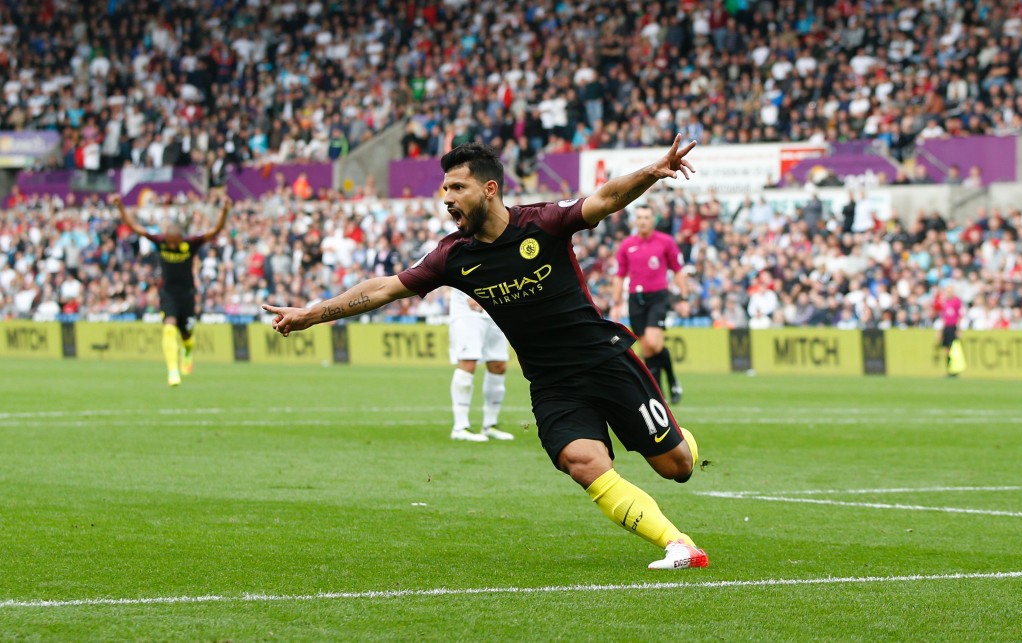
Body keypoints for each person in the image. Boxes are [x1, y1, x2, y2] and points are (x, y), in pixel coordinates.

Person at [264, 138, 706, 571]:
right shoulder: (453, 256)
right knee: (581, 461)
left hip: (604, 360)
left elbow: (606, 199)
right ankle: (679, 544)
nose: (447, 199)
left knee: (677, 467)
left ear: (489, 189)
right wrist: (311, 314)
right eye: (444, 190)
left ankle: (677, 437)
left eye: (457, 188)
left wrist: (651, 171)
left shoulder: (543, 222)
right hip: (552, 383)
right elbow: (383, 287)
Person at [113, 194, 230, 386]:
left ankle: (188, 351)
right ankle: (173, 371)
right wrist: (120, 208)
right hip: (167, 293)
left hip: (188, 295)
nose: (173, 245)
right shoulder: (161, 241)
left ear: (180, 238)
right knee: (168, 328)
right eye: (171, 242)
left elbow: (215, 230)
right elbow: (135, 227)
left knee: (187, 336)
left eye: (175, 242)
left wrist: (224, 211)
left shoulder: (191, 244)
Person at [610, 204, 686, 404]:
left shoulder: (665, 242)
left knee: (653, 342)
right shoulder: (627, 245)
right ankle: (660, 393)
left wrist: (684, 298)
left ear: (653, 220)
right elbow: (619, 276)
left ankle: (671, 380)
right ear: (635, 220)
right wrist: (616, 303)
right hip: (636, 299)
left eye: (646, 217)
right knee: (648, 349)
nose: (643, 221)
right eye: (640, 217)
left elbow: (678, 270)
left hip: (658, 297)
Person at [447, 287, 514, 442]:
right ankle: (460, 427)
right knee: (468, 362)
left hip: (496, 308)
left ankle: (490, 425)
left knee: (499, 365)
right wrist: (468, 293)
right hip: (468, 310)